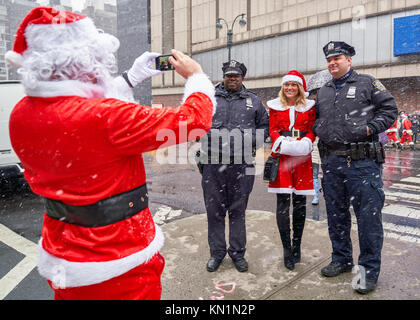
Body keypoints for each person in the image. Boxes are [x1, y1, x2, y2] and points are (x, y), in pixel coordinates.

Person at [6, 7, 215, 300]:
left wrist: (131, 78)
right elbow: (194, 121)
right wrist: (197, 78)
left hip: (64, 256)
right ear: (86, 60)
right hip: (120, 262)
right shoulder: (106, 118)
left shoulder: (21, 115)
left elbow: (74, 107)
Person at [313, 41, 398, 294]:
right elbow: (316, 118)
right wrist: (318, 129)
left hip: (362, 163)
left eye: (337, 58)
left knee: (368, 219)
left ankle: (368, 271)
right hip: (331, 163)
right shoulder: (325, 89)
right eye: (329, 60)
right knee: (336, 216)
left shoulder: (367, 83)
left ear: (349, 59)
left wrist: (370, 128)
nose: (332, 63)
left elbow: (390, 109)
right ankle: (341, 259)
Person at [199, 60, 269, 273]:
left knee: (238, 211)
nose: (232, 79)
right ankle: (217, 253)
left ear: (242, 78)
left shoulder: (254, 101)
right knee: (214, 211)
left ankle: (237, 253)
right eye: (229, 75)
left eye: (236, 75)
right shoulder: (209, 98)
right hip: (212, 163)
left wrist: (252, 141)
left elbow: (265, 127)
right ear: (224, 76)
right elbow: (196, 122)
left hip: (242, 164)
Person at [266, 70, 316, 270]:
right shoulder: (274, 106)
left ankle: (297, 245)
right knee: (283, 205)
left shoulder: (310, 107)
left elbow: (313, 129)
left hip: (302, 157)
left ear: (300, 88)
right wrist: (279, 140)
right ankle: (287, 248)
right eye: (287, 85)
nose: (290, 88)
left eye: (294, 85)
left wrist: (307, 141)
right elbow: (271, 128)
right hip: (283, 155)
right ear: (283, 87)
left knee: (300, 205)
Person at [306, 69, 333, 206]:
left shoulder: (333, 106)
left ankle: (321, 194)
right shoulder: (313, 107)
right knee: (316, 172)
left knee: (323, 173)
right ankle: (317, 195)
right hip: (316, 144)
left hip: (326, 146)